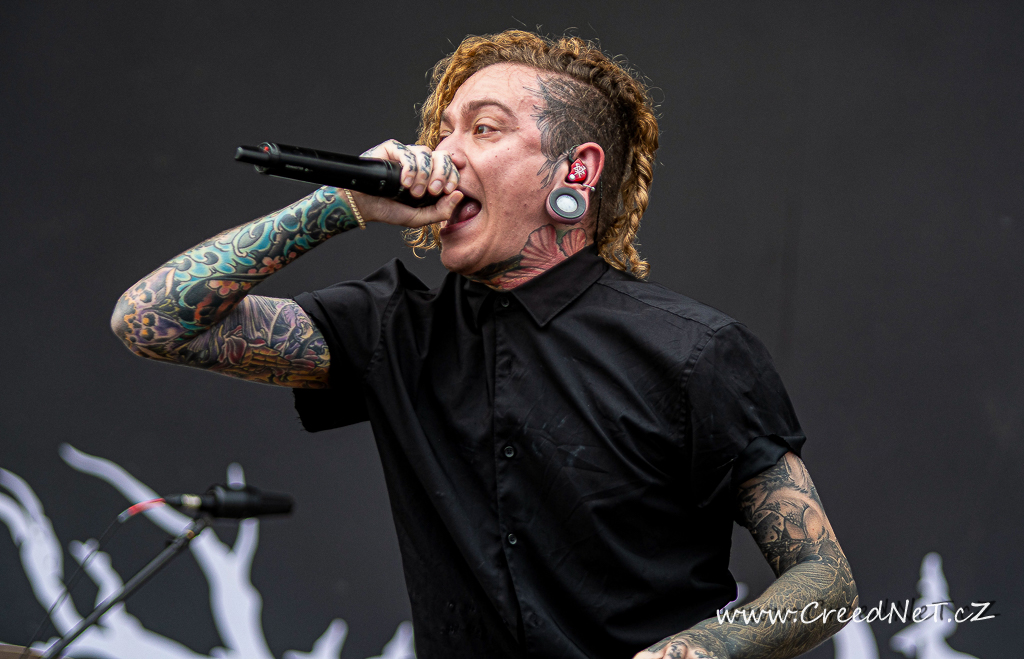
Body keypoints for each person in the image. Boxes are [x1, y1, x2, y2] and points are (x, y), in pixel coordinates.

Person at [112, 30, 857, 659]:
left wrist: (686, 654)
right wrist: (338, 205)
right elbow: (150, 321)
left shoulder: (695, 351)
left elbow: (824, 581)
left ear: (576, 170)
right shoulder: (391, 330)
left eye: (485, 128)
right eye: (444, 130)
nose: (444, 154)